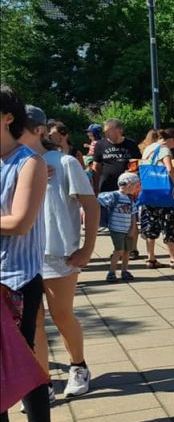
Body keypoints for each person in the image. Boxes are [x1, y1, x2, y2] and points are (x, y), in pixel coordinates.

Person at [0, 87, 56, 422]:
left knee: (23, 357)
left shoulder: (27, 163)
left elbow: (20, 222)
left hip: (15, 278)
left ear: (7, 117)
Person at [30, 112, 99, 399]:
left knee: (61, 314)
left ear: (38, 130)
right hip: (22, 255)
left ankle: (78, 366)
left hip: (58, 253)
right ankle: (41, 381)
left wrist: (87, 248)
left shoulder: (65, 162)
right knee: (32, 322)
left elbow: (91, 205)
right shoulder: (11, 164)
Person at [138, 128, 174, 269]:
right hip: (162, 192)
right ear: (170, 140)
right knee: (168, 224)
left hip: (148, 191)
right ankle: (173, 258)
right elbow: (169, 169)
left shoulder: (148, 148)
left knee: (150, 224)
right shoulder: (164, 150)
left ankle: (150, 258)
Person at [98, 173, 139, 282]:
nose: (136, 188)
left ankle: (124, 270)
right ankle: (111, 272)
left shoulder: (130, 199)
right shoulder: (115, 196)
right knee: (119, 250)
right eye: (135, 185)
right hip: (116, 228)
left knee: (127, 251)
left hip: (127, 229)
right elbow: (99, 199)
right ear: (129, 184)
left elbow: (133, 215)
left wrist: (132, 228)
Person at [92, 119, 141, 194]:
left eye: (108, 131)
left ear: (119, 130)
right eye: (105, 131)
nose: (106, 134)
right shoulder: (100, 145)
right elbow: (96, 167)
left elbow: (137, 164)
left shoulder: (131, 144)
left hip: (127, 187)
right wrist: (95, 188)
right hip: (106, 187)